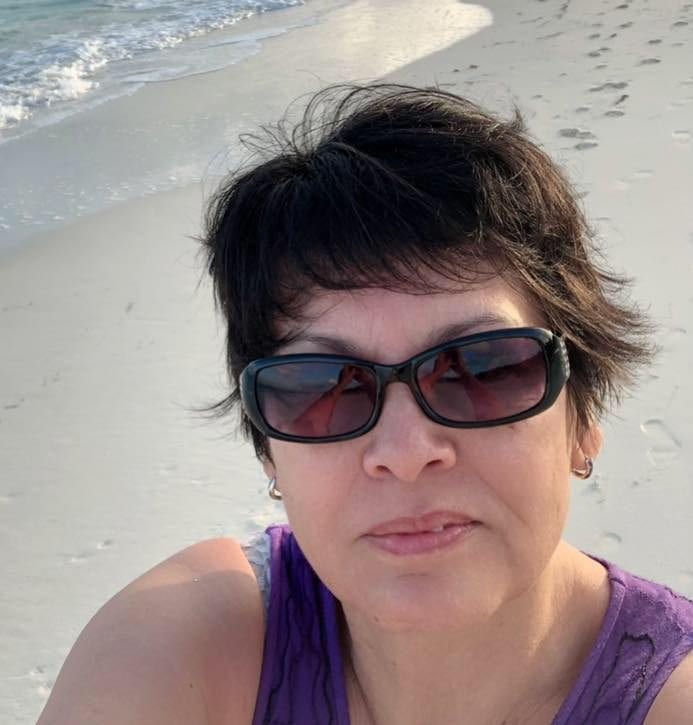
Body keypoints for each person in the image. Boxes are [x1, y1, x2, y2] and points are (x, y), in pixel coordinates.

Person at [38, 84, 693, 724]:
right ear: (269, 454)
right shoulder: (181, 649)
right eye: (323, 389)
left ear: (582, 419)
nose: (405, 454)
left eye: (482, 370)